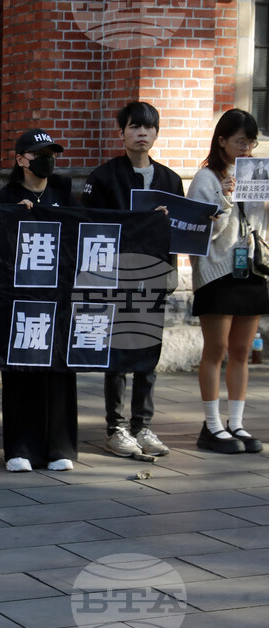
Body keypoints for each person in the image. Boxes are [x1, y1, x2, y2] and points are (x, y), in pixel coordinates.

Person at [82, 101, 183, 459]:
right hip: (118, 276)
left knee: (147, 353)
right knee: (119, 353)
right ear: (121, 132)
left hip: (155, 276)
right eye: (135, 127)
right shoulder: (105, 176)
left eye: (149, 128)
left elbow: (181, 231)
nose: (142, 133)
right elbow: (92, 224)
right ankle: (117, 427)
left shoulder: (170, 180)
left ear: (157, 133)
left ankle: (143, 425)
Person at [0, 129, 78, 471]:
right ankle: (21, 448)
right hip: (21, 300)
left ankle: (60, 448)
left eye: (52, 154)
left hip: (58, 298)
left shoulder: (64, 191)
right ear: (20, 160)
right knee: (21, 370)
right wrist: (14, 216)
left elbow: (89, 227)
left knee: (59, 368)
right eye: (40, 154)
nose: (48, 160)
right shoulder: (7, 196)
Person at [187, 108, 266, 454]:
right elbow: (203, 233)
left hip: (251, 270)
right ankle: (212, 424)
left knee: (241, 351)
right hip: (217, 271)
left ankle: (236, 422)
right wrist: (225, 198)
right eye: (240, 142)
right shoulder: (206, 178)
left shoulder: (259, 173)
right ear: (222, 141)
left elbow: (261, 228)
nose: (246, 149)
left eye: (251, 143)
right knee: (216, 349)